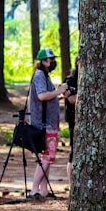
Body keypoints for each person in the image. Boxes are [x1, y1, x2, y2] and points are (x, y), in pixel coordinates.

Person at [28, 47, 68, 200]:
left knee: (48, 158)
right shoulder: (39, 75)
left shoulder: (45, 76)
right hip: (44, 124)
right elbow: (42, 96)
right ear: (43, 61)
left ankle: (44, 190)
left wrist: (59, 93)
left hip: (50, 123)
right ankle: (34, 189)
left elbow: (49, 97)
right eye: (51, 60)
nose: (53, 63)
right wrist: (58, 91)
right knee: (46, 157)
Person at [63, 58, 79, 186]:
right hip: (74, 119)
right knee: (74, 151)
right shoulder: (70, 80)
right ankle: (71, 185)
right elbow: (71, 99)